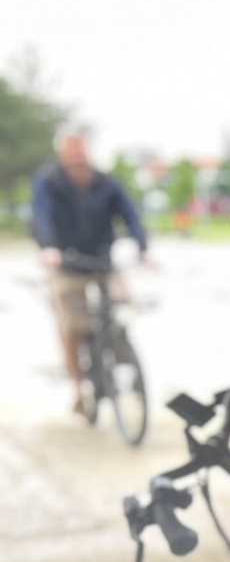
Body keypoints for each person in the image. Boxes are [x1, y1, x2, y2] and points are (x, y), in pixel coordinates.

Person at [30, 131, 150, 418]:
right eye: (72, 155)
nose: (78, 160)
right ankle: (79, 389)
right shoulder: (49, 182)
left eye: (81, 154)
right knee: (71, 326)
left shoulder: (106, 183)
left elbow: (129, 214)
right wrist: (49, 248)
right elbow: (42, 215)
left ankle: (123, 355)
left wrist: (142, 246)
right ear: (62, 155)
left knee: (123, 306)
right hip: (65, 262)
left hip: (102, 260)